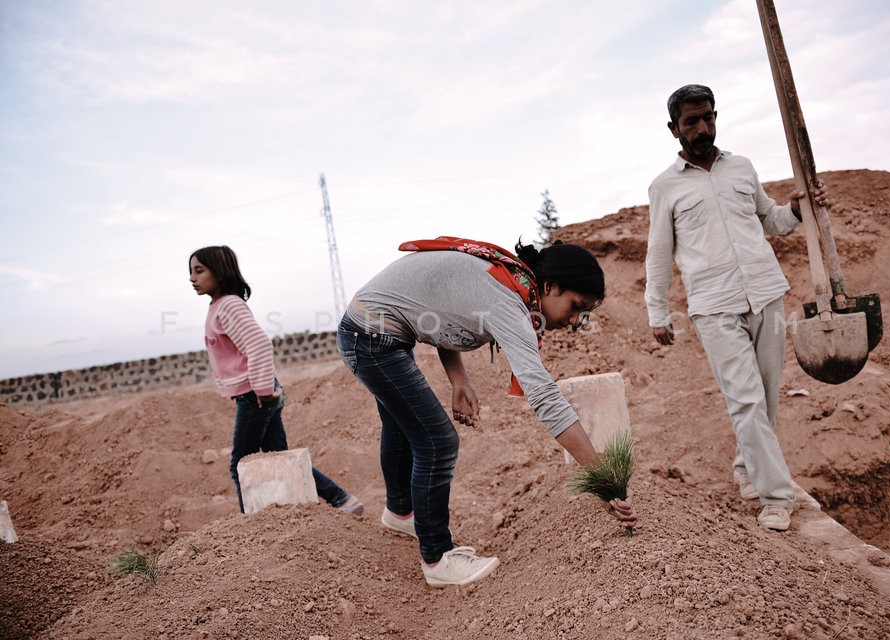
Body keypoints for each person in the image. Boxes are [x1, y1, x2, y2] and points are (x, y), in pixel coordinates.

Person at [337, 237, 637, 588]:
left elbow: (441, 308)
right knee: (437, 441)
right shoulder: (507, 300)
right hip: (370, 338)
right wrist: (600, 474)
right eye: (576, 306)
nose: (574, 322)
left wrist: (459, 379)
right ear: (550, 286)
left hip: (372, 330)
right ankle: (437, 559)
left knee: (404, 423)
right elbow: (543, 395)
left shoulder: (507, 278)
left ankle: (401, 513)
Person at [643, 84, 828, 532]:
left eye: (708, 117)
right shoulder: (664, 187)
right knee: (745, 401)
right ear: (674, 129)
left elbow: (771, 221)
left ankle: (747, 469)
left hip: (766, 292)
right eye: (691, 121)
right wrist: (657, 311)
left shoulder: (742, 167)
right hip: (714, 306)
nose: (702, 127)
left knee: (766, 397)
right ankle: (776, 497)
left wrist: (796, 210)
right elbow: (659, 253)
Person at [189, 245, 363, 516]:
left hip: (255, 396)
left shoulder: (228, 306)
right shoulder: (219, 306)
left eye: (199, 271)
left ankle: (250, 525)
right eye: (191, 272)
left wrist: (262, 389)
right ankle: (341, 500)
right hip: (257, 393)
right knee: (281, 457)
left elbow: (258, 343)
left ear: (219, 272)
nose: (192, 278)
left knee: (239, 464)